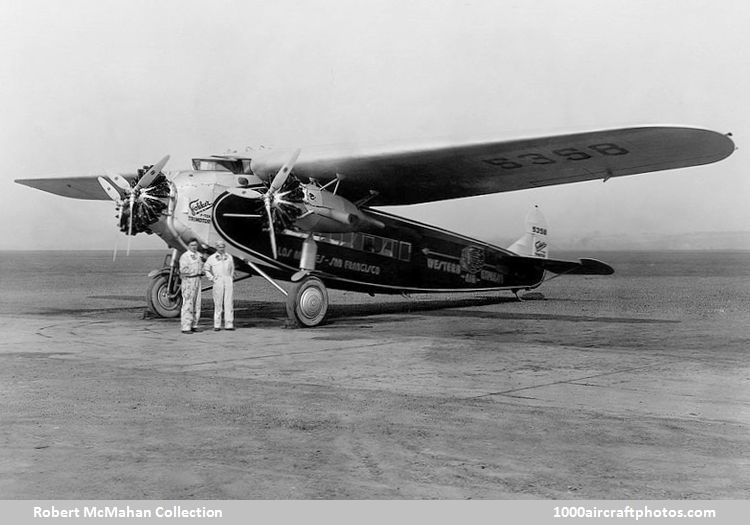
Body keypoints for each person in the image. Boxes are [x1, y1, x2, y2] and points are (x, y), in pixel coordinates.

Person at [203, 240, 236, 331]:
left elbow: (232, 268)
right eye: (219, 246)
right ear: (216, 247)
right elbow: (206, 269)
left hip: (227, 280)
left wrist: (230, 278)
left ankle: (229, 324)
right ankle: (217, 325)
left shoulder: (229, 257)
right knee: (218, 303)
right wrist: (212, 278)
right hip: (218, 281)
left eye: (222, 246)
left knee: (229, 303)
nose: (221, 248)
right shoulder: (212, 258)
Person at [179, 240, 204, 334]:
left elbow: (203, 266)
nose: (194, 247)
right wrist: (193, 271)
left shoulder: (199, 255)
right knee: (188, 303)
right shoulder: (185, 256)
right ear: (188, 246)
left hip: (198, 279)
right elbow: (183, 269)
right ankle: (186, 326)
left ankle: (194, 325)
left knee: (197, 304)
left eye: (195, 245)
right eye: (192, 245)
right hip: (189, 280)